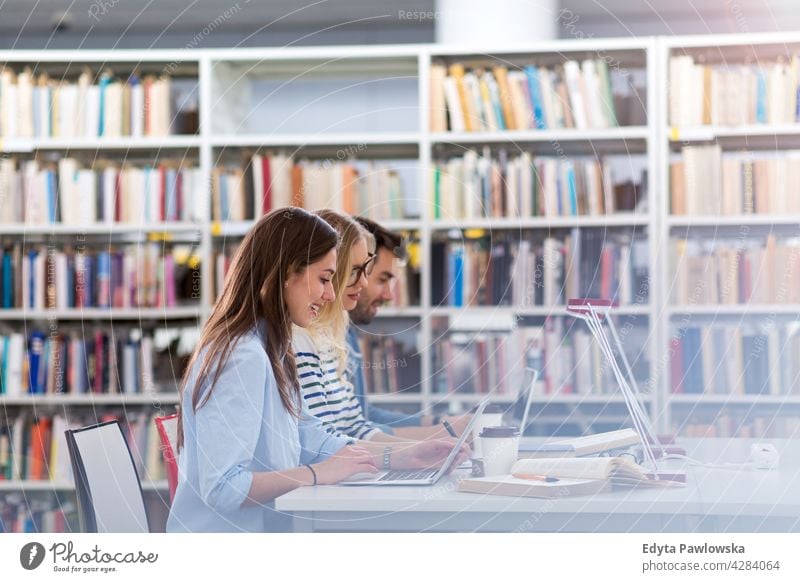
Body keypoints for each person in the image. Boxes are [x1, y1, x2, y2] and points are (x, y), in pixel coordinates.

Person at [167, 208, 454, 533]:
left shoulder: (271, 345)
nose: (331, 294)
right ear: (288, 272)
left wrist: (398, 457)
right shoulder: (242, 356)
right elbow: (223, 489)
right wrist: (319, 474)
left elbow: (306, 435)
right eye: (324, 278)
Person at [349, 217, 472, 439]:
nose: (388, 295)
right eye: (382, 280)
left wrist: (437, 422)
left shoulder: (347, 332)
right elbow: (345, 431)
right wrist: (437, 433)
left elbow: (362, 416)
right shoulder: (319, 340)